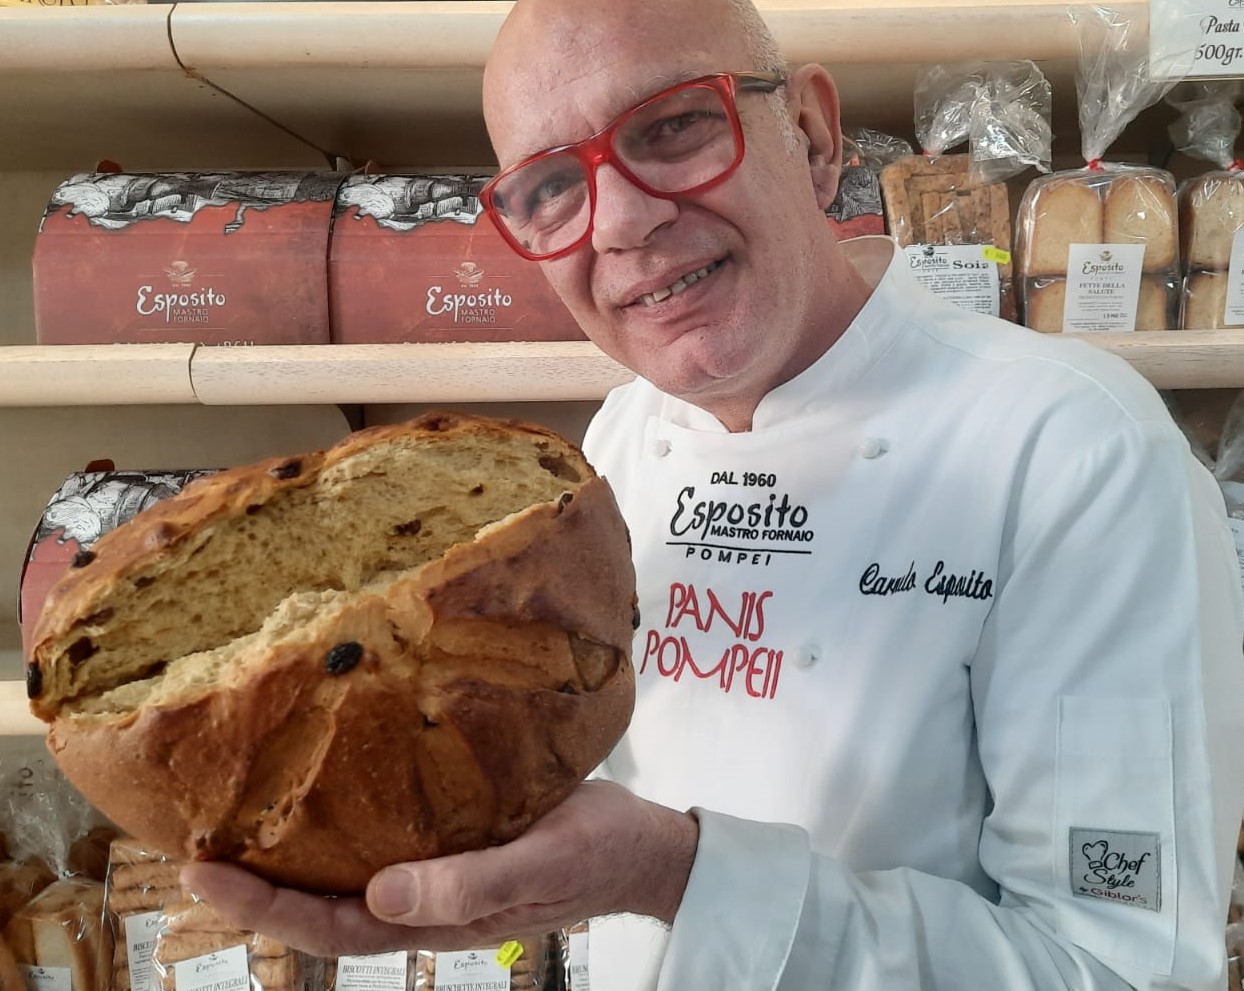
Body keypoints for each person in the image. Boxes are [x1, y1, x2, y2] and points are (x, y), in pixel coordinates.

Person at [181, 0, 1244, 987]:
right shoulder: (616, 445)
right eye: (550, 187)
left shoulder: (1075, 451)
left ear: (814, 138)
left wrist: (673, 875)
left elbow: (1122, 967)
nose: (620, 222)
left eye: (672, 126)